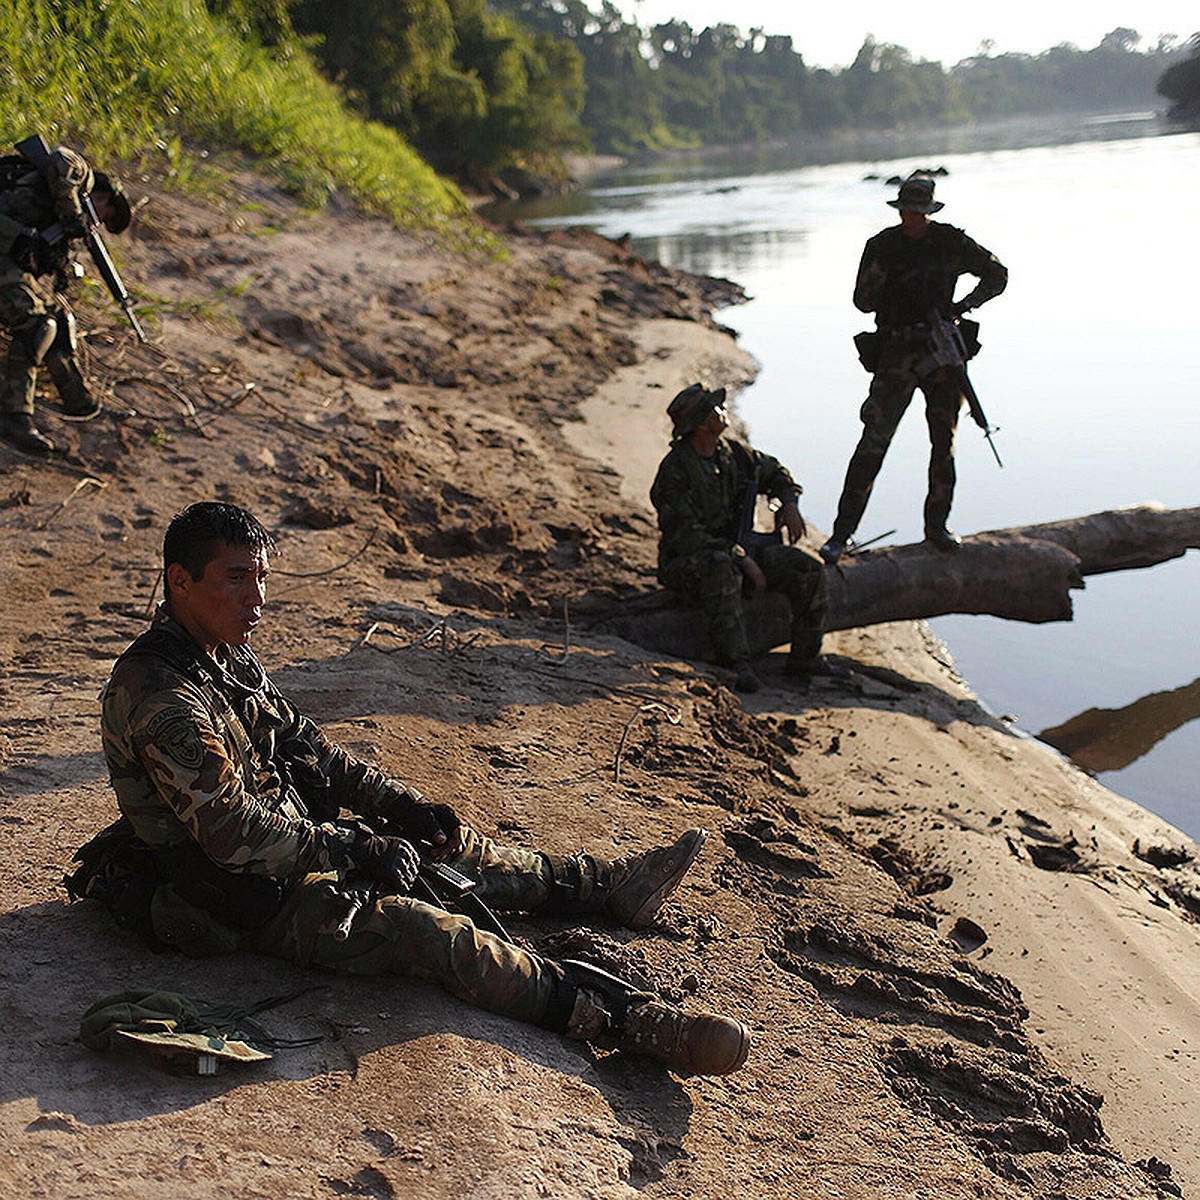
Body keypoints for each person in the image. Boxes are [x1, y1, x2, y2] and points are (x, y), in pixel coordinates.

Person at [72, 502, 750, 1077]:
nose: (257, 600)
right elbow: (231, 835)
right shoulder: (163, 696)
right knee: (428, 933)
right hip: (239, 897)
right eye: (236, 580)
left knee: (447, 848)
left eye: (262, 578)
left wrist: (397, 808)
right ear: (179, 582)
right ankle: (627, 1021)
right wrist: (354, 849)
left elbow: (311, 749)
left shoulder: (223, 655)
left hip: (290, 848)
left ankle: (599, 886)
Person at [819, 174, 1008, 564]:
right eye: (907, 211)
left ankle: (936, 528)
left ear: (929, 211)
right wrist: (888, 282)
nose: (912, 218)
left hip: (940, 354)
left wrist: (962, 307)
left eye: (918, 212)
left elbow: (997, 275)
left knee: (944, 443)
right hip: (896, 353)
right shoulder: (882, 247)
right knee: (874, 441)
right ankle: (841, 533)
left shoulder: (951, 241)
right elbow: (862, 302)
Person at [649, 382, 835, 695]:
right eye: (715, 409)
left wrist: (788, 503)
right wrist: (741, 558)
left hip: (741, 550)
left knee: (807, 568)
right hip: (690, 561)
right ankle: (735, 663)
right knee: (722, 569)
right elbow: (685, 535)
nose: (723, 413)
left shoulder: (733, 455)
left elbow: (776, 473)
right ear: (704, 422)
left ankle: (806, 657)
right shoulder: (675, 471)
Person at [0, 142, 132, 455]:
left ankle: (80, 402)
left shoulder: (54, 215)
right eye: (105, 213)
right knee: (36, 325)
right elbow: (61, 158)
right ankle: (13, 416)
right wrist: (72, 214)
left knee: (57, 322)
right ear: (100, 195)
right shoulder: (81, 177)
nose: (98, 223)